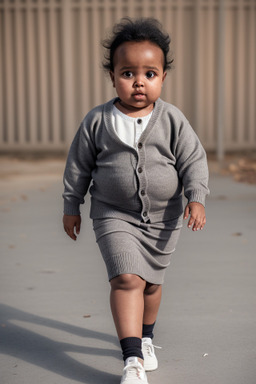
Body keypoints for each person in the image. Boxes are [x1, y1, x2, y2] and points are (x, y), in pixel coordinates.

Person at [62, 17, 209, 384]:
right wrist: (71, 205)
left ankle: (146, 339)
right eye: (128, 73)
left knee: (152, 285)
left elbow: (193, 160)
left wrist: (196, 197)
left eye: (150, 73)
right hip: (113, 214)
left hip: (164, 217)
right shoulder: (97, 120)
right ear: (113, 76)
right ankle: (131, 361)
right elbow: (78, 166)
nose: (139, 82)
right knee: (127, 279)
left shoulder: (172, 119)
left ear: (162, 77)